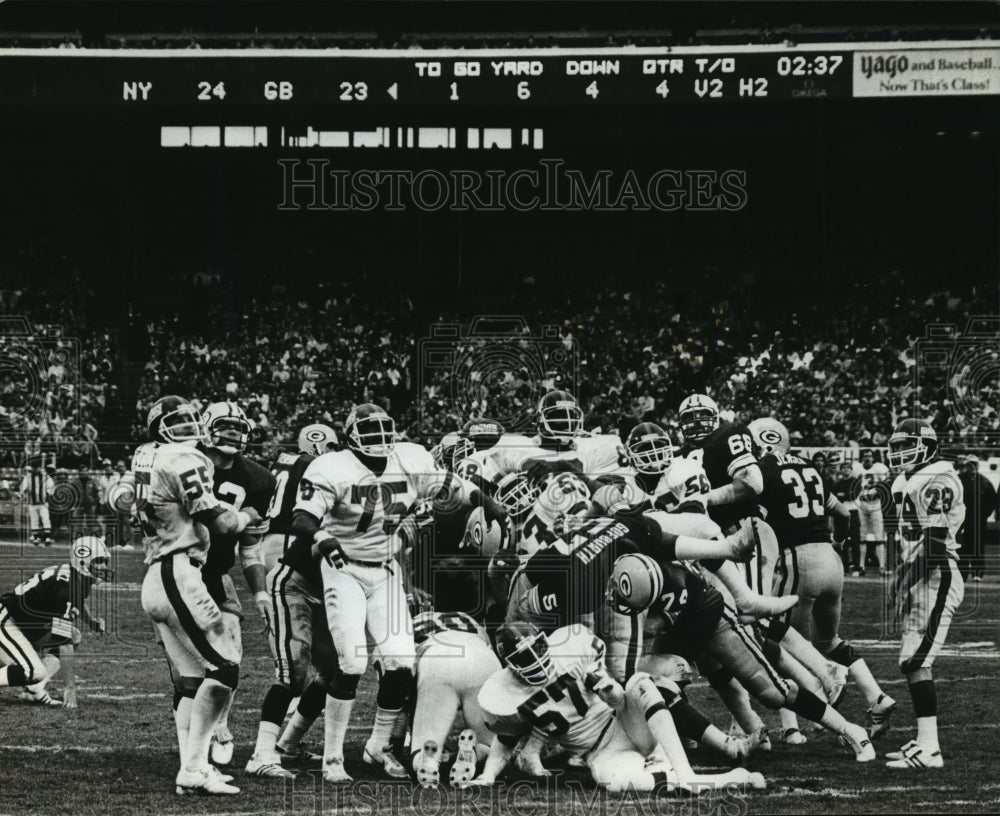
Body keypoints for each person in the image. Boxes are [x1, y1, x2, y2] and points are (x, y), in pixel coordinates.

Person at [289, 403, 507, 783]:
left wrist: (490, 504)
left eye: (382, 431)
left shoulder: (409, 457)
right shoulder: (331, 466)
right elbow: (302, 517)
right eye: (369, 433)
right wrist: (322, 536)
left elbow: (453, 486)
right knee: (352, 664)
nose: (378, 440)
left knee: (401, 664)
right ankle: (332, 758)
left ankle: (377, 746)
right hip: (345, 569)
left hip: (386, 571)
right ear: (353, 437)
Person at [114, 395, 263, 795]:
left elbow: (122, 494)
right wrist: (249, 516)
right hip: (179, 571)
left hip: (160, 572)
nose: (185, 427)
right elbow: (225, 523)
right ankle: (195, 768)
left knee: (194, 680)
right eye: (175, 421)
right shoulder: (187, 460)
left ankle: (193, 768)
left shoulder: (147, 453)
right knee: (226, 669)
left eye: (188, 420)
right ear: (159, 427)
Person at [470, 621, 765, 792]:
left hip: (623, 723)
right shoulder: (506, 693)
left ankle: (684, 772)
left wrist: (609, 689)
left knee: (640, 682)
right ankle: (717, 780)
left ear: (546, 641)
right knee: (622, 783)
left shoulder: (573, 653)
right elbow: (505, 739)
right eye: (525, 658)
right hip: (600, 752)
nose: (535, 659)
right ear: (511, 668)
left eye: (538, 648)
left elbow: (619, 701)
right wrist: (487, 776)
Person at [884, 419, 965, 769]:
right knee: (911, 661)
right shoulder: (909, 478)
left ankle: (930, 750)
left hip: (936, 573)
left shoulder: (939, 478)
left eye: (907, 445)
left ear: (929, 446)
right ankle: (922, 740)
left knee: (918, 661)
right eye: (897, 446)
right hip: (924, 572)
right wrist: (902, 574)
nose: (899, 453)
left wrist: (906, 581)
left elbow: (933, 544)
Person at [0, 536, 112, 705]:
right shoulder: (67, 588)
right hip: (7, 621)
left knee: (74, 635)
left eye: (104, 561)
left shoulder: (77, 578)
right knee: (33, 671)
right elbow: (63, 641)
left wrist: (91, 622)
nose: (103, 567)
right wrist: (70, 688)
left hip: (23, 623)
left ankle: (34, 690)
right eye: (99, 561)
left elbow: (78, 602)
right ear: (82, 561)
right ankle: (34, 683)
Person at [957, 455, 996, 583]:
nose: (972, 467)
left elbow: (992, 501)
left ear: (977, 465)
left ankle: (977, 572)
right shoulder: (959, 480)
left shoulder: (985, 482)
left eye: (974, 464)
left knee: (978, 547)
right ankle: (962, 574)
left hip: (979, 520)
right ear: (967, 466)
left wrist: (984, 514)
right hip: (963, 520)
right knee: (962, 547)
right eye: (970, 464)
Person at [20, 463, 53, 546]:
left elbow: (51, 486)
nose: (35, 469)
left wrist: (48, 494)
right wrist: (23, 493)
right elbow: (23, 487)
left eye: (37, 467)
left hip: (43, 503)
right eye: (34, 468)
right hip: (32, 503)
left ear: (39, 467)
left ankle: (47, 537)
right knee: (34, 520)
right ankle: (36, 538)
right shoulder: (27, 477)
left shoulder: (45, 476)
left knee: (45, 519)